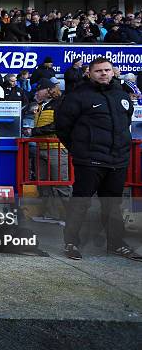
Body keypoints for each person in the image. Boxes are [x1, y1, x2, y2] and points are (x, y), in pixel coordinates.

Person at [55, 58, 140, 261]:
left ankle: (116, 243)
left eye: (107, 70)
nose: (103, 74)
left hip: (117, 161)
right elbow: (63, 127)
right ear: (89, 73)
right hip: (89, 161)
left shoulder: (122, 96)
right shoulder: (77, 96)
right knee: (80, 203)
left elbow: (124, 124)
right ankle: (71, 242)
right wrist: (80, 150)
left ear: (113, 72)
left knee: (112, 205)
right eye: (99, 71)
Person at [27, 79, 70, 224]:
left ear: (48, 90)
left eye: (39, 90)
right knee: (43, 183)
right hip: (41, 148)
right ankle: (51, 214)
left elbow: (58, 126)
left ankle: (70, 217)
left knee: (61, 184)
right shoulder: (41, 106)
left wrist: (34, 132)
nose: (37, 93)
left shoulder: (61, 103)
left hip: (56, 149)